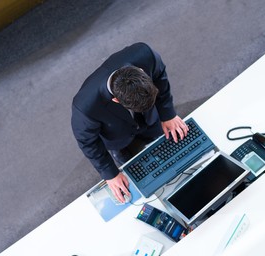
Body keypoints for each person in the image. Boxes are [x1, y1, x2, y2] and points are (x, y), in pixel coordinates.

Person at [71, 42, 188, 203]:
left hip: (150, 120)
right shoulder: (84, 106)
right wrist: (110, 174)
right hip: (117, 137)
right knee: (140, 180)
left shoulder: (145, 54)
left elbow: (160, 76)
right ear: (116, 100)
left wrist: (167, 115)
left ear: (141, 72)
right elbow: (87, 141)